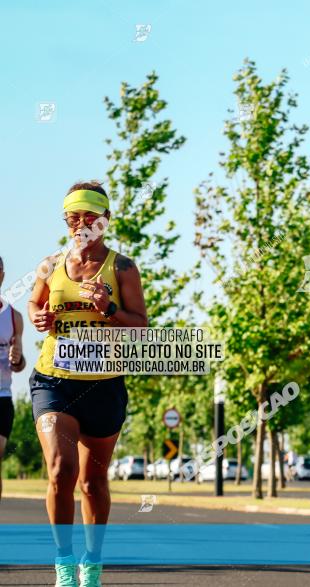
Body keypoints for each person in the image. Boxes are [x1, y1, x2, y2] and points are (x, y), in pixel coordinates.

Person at [28, 182, 147, 586]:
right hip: (54, 381)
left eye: (89, 218)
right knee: (61, 470)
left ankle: (91, 564)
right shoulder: (49, 265)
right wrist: (38, 318)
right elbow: (34, 302)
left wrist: (109, 308)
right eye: (73, 218)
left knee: (92, 483)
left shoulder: (124, 268)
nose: (81, 225)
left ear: (105, 222)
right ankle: (63, 565)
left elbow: (141, 327)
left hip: (103, 385)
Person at [0, 255, 27, 503]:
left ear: (2, 275)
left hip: (3, 397)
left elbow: (20, 365)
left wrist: (16, 358)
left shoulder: (13, 317)